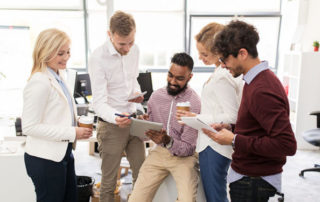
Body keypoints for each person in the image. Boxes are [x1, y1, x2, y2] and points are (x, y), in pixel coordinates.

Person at [202, 20, 297, 202]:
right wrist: (232, 128)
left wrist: (235, 139)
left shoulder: (262, 88)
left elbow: (286, 144)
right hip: (250, 178)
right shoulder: (254, 81)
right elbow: (258, 125)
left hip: (254, 182)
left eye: (225, 59)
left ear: (243, 53)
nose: (222, 65)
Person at [22, 28, 93, 202]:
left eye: (68, 51)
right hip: (45, 158)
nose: (66, 57)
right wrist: (72, 132)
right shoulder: (39, 82)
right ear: (45, 52)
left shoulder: (59, 75)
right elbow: (29, 127)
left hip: (63, 152)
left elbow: (58, 113)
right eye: (60, 53)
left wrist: (77, 123)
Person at [176, 22, 243, 202]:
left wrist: (198, 118)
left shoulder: (223, 77)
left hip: (215, 145)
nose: (200, 57)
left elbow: (232, 116)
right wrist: (195, 117)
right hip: (210, 142)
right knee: (214, 193)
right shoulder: (220, 71)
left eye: (204, 54)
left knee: (215, 195)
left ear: (219, 50)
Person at [88, 11, 145, 202]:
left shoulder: (134, 50)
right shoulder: (98, 58)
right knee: (109, 183)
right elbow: (98, 102)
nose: (128, 48)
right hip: (111, 126)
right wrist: (115, 117)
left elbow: (133, 81)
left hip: (133, 121)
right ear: (109, 35)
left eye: (131, 42)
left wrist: (137, 95)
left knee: (142, 177)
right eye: (122, 44)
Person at [128, 53, 201, 202]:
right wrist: (144, 124)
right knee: (136, 199)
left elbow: (188, 148)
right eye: (170, 75)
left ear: (190, 77)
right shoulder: (156, 96)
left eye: (179, 78)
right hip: (159, 152)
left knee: (187, 199)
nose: (172, 81)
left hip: (184, 158)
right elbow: (145, 136)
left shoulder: (194, 102)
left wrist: (168, 141)